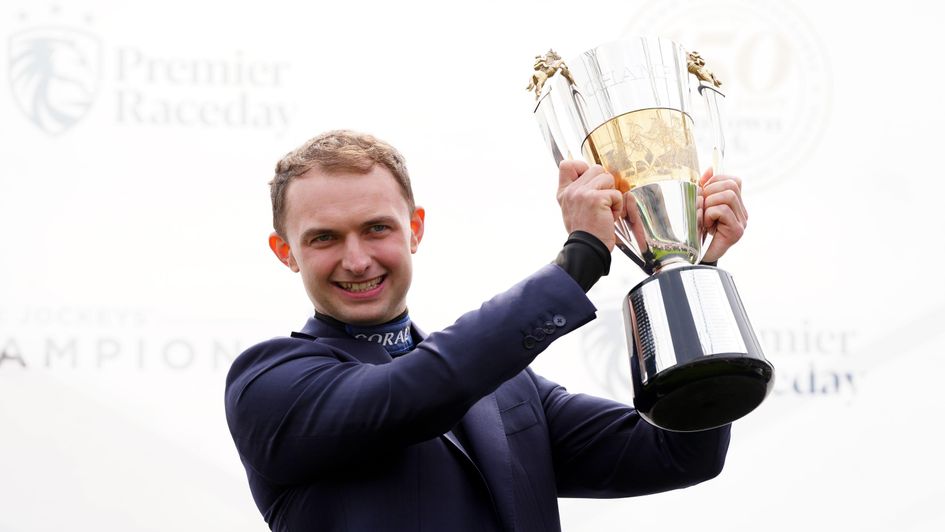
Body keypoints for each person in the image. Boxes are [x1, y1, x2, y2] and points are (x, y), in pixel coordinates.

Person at [225, 130, 748, 531]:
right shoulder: (268, 384)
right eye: (324, 238)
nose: (357, 259)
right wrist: (579, 261)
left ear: (415, 229)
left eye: (376, 228)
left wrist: (680, 270)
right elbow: (415, 391)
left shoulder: (509, 390)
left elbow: (679, 450)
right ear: (286, 253)